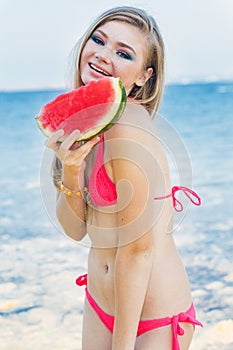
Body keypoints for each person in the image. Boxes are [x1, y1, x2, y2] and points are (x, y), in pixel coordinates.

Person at [45, 6, 202, 350]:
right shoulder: (86, 121)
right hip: (101, 304)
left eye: (123, 53)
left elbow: (138, 250)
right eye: (98, 40)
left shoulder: (127, 128)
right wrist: (71, 169)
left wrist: (122, 346)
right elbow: (75, 230)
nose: (102, 55)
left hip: (150, 320)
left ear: (143, 77)